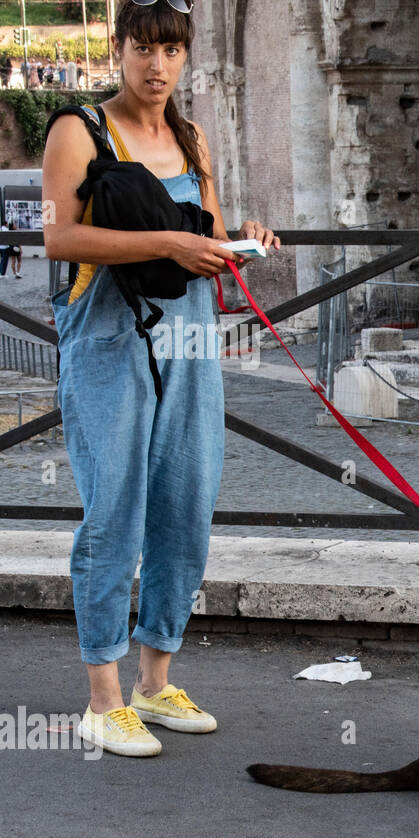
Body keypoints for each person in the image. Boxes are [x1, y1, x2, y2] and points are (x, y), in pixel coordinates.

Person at [43, 0, 278, 757]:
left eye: (171, 52)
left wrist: (240, 241)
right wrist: (172, 242)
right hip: (106, 337)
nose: (156, 66)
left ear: (185, 58)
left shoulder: (191, 134)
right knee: (114, 510)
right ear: (119, 49)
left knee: (186, 502)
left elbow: (203, 235)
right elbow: (58, 235)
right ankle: (102, 699)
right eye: (143, 49)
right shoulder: (77, 131)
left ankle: (155, 682)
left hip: (188, 338)